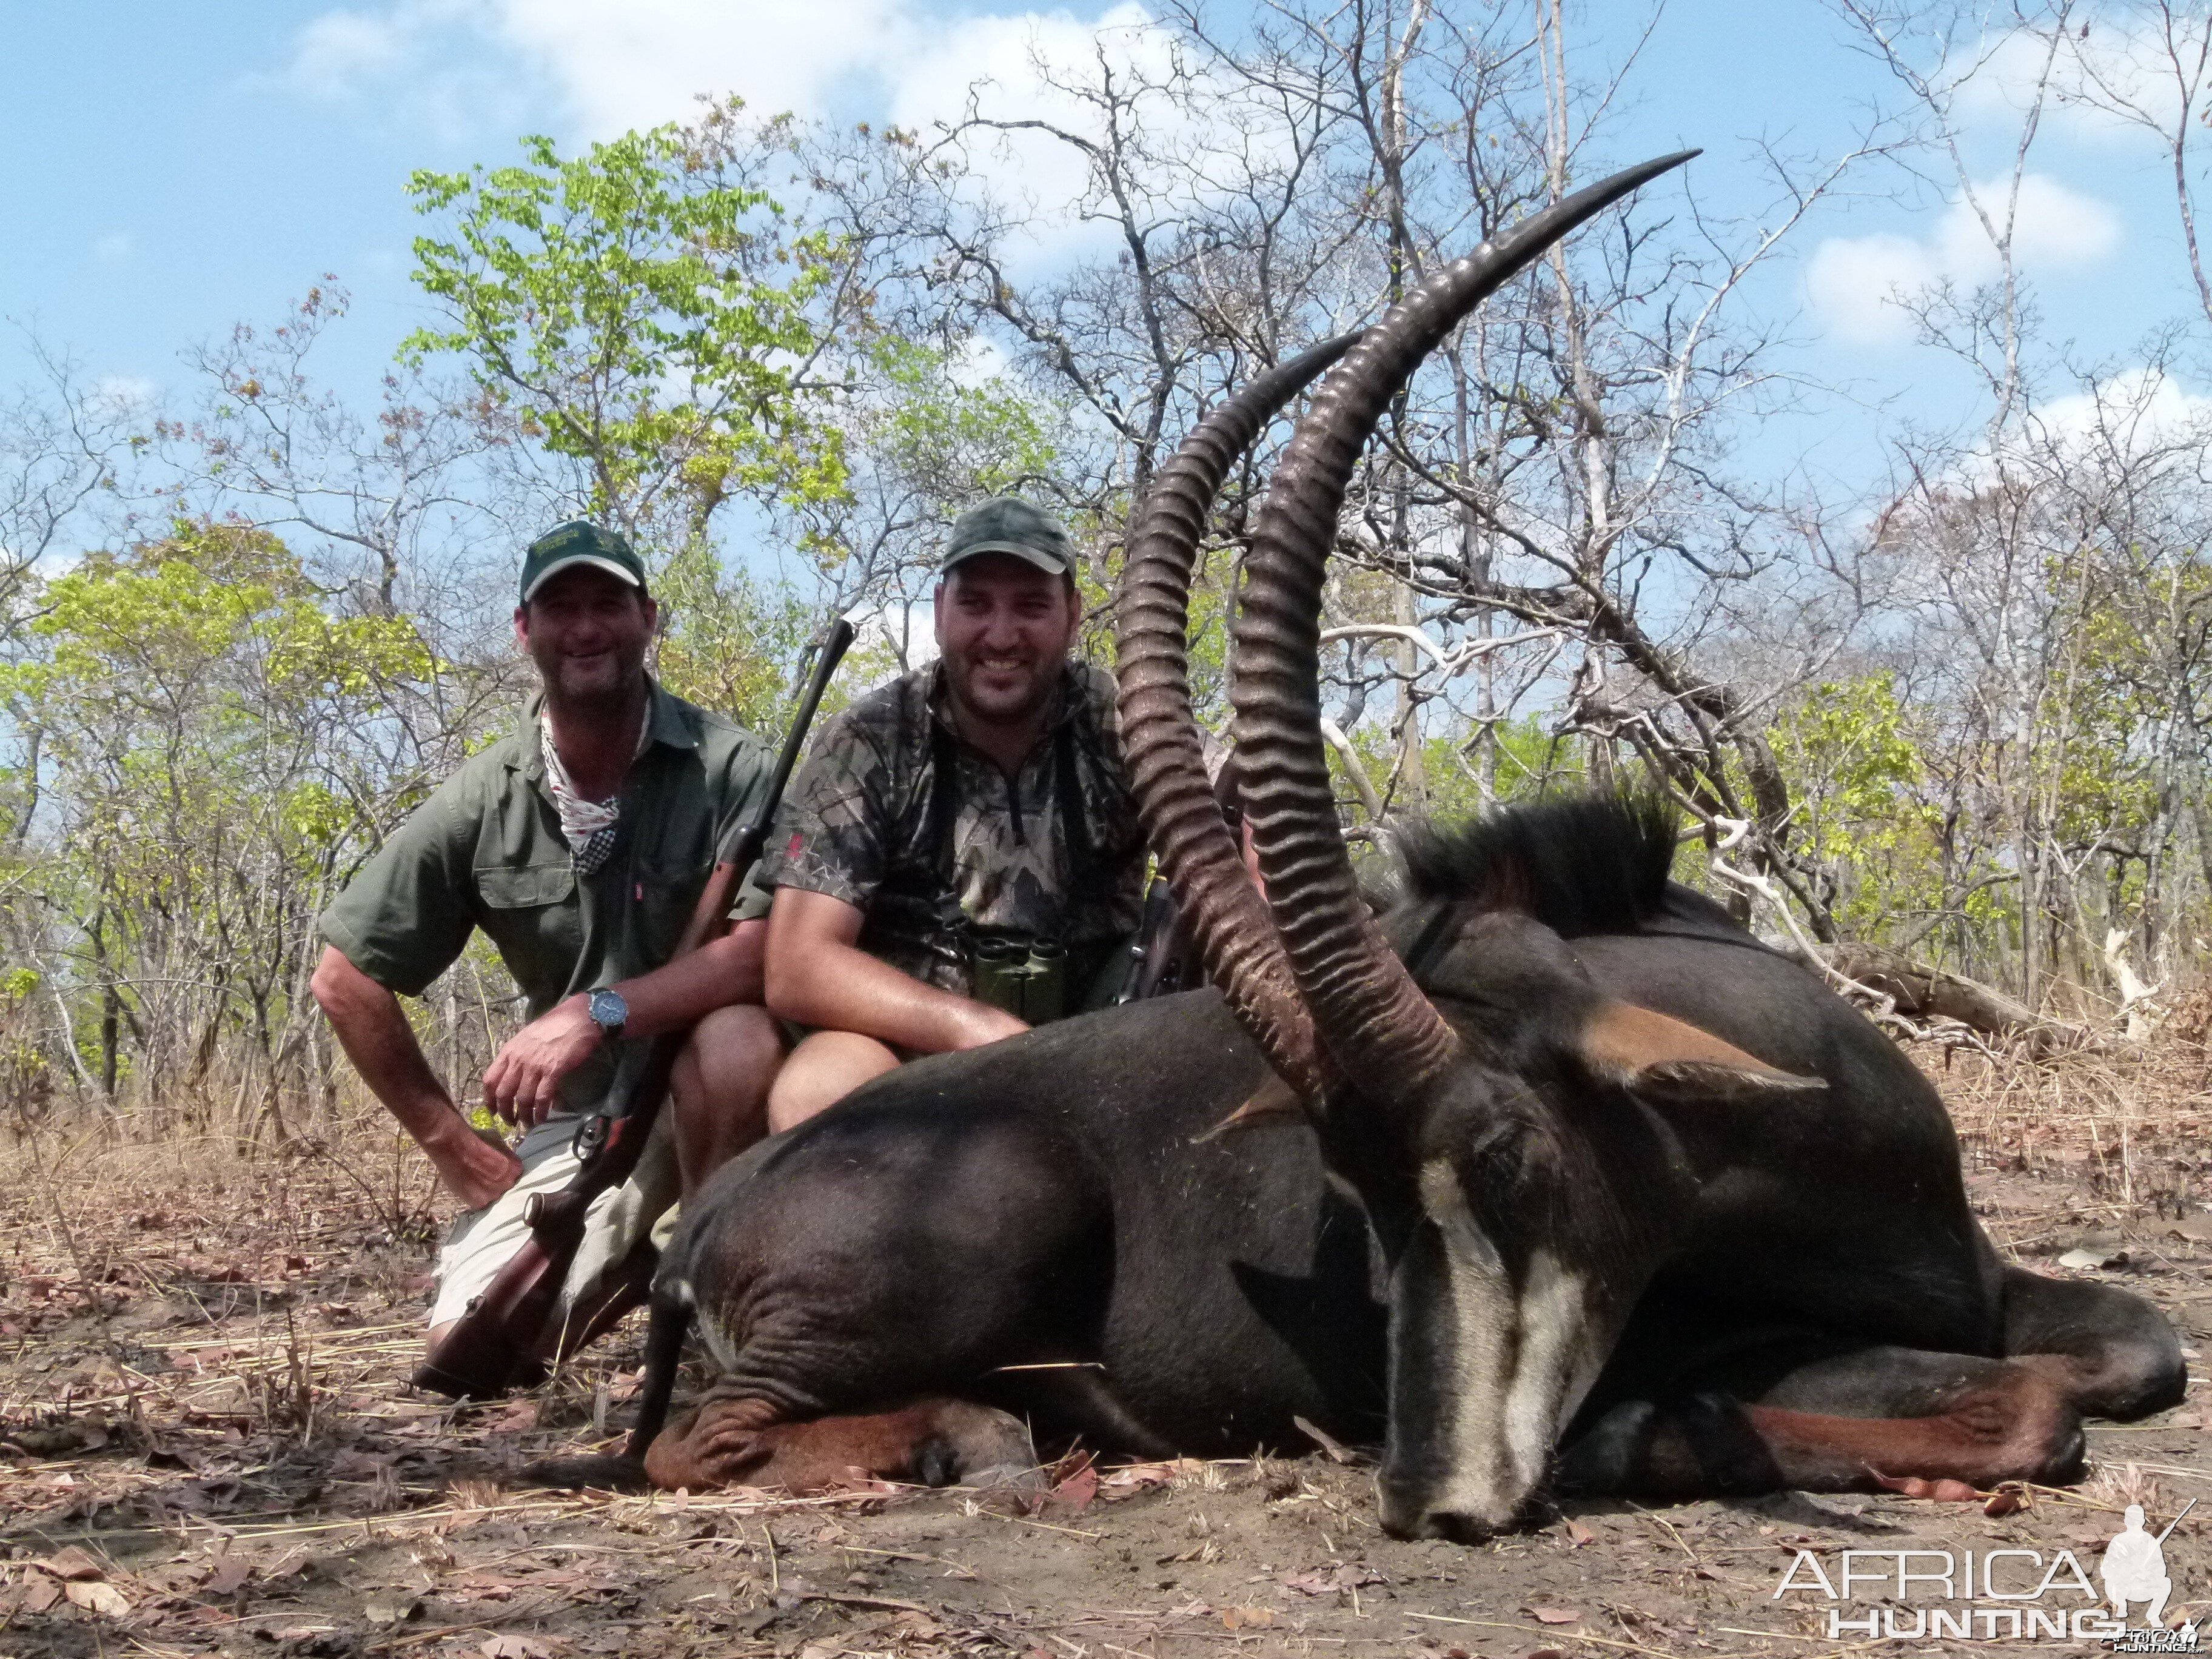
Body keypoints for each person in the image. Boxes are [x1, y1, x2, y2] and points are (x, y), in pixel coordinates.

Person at [310, 520, 784, 1369]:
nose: (587, 628)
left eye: (609, 604)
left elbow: (760, 954)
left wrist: (598, 1013)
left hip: (716, 1103)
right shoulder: (483, 795)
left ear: (649, 618)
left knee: (736, 1042)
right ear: (525, 631)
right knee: (468, 1348)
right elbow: (345, 978)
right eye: (560, 608)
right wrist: (453, 1147)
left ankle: (713, 1301)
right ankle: (637, 1260)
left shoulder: (735, 767)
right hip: (584, 1131)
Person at [758, 497, 1145, 1124]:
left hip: (1103, 1045)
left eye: (1031, 605)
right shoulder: (871, 738)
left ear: (1073, 615)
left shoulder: (1127, 720)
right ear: (939, 613)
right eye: (976, 604)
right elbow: (797, 967)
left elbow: (1245, 803)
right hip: (918, 1053)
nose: (1000, 635)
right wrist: (972, 1029)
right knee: (817, 1090)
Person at [2102, 1504, 2173, 1627]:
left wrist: (2148, 1574)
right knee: (2115, 1583)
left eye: (2137, 1520)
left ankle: (2153, 1614)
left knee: (2166, 1583)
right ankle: (2120, 1608)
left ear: (2142, 1521)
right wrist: (2129, 1571)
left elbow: (2161, 1568)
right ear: (2126, 1521)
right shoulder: (2119, 1541)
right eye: (2131, 1520)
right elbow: (2107, 1569)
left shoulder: (2150, 1541)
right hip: (2122, 1587)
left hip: (2144, 1586)